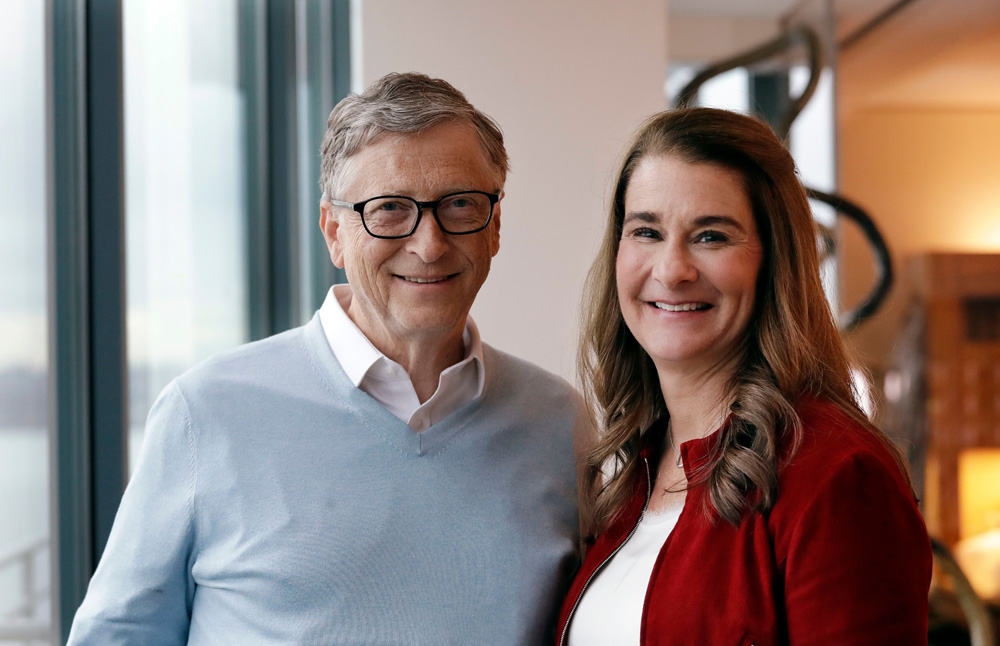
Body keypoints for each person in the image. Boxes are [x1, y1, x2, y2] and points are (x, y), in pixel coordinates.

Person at [68, 72, 591, 645]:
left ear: (494, 227)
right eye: (389, 209)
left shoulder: (558, 422)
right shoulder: (207, 412)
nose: (429, 243)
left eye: (460, 205)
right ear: (333, 231)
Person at [556, 107, 931, 645]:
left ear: (773, 261)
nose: (671, 269)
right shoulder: (627, 472)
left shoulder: (838, 475)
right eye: (646, 231)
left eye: (711, 236)